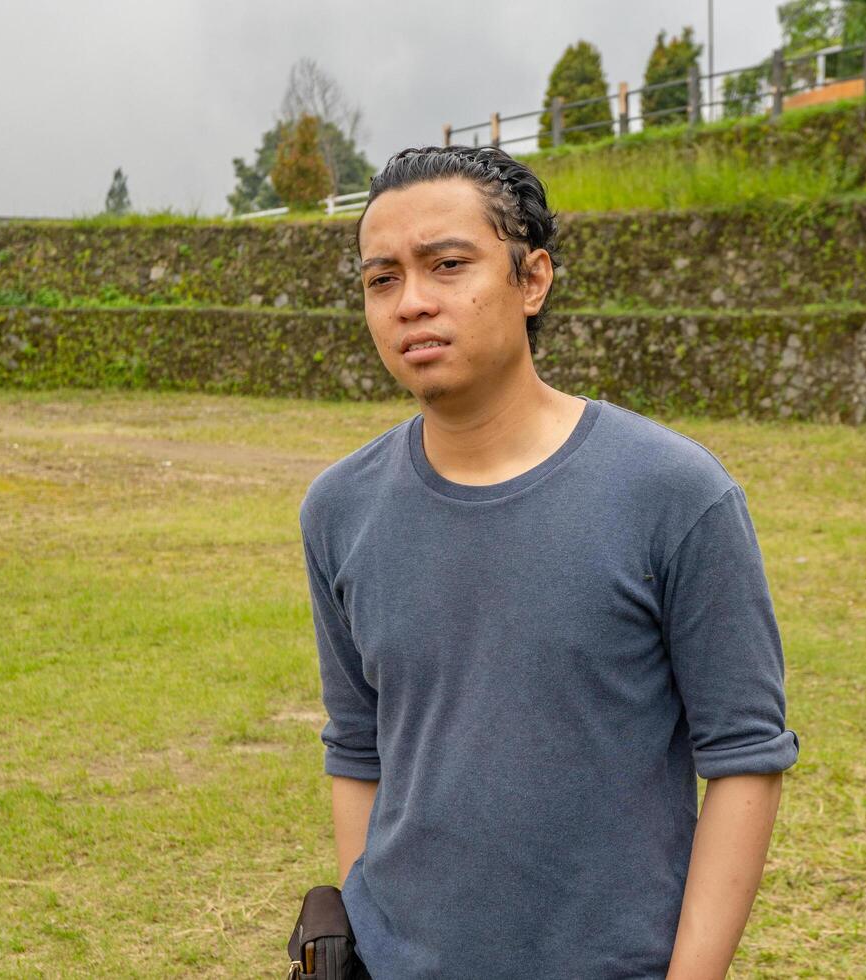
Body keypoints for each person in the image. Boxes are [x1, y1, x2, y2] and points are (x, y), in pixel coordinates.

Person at [297, 144, 799, 979]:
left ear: (533, 279)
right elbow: (358, 748)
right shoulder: (338, 508)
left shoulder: (677, 494)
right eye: (381, 279)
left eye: (447, 265)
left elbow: (745, 759)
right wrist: (364, 946)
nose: (412, 302)